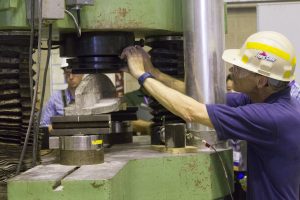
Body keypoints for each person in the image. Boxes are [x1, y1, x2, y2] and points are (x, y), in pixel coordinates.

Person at [121, 31, 300, 199]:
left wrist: (141, 76)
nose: (231, 70)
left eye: (239, 67)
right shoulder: (265, 100)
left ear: (261, 81)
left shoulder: (272, 117)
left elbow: (191, 111)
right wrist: (154, 73)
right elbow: (198, 97)